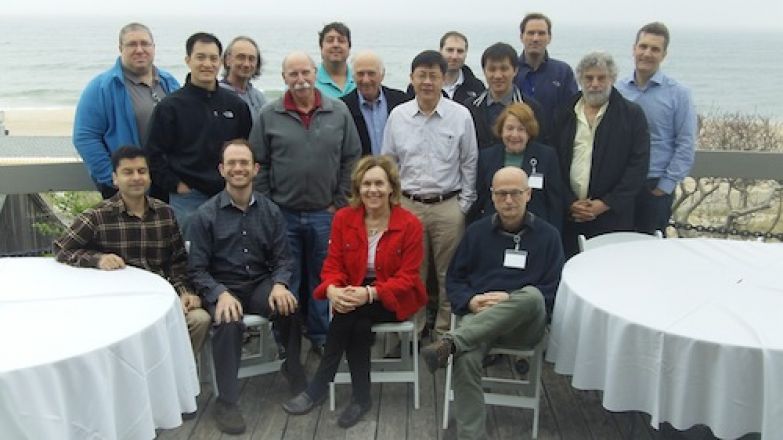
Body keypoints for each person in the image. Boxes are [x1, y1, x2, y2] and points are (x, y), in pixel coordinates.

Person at [282, 155, 426, 428]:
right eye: (367, 184)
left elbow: (408, 278)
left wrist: (369, 294)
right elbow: (332, 265)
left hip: (393, 299)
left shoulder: (409, 224)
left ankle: (318, 387)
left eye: (379, 184)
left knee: (350, 314)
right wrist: (334, 290)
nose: (373, 190)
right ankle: (361, 398)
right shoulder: (344, 219)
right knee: (357, 325)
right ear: (358, 189)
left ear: (391, 189)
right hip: (354, 296)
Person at [421, 166, 564, 440]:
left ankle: (451, 341)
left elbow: (553, 290)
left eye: (515, 193)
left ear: (528, 194)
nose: (508, 200)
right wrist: (471, 300)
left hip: (523, 325)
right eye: (501, 194)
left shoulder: (548, 236)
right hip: (478, 318)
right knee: (464, 359)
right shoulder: (476, 233)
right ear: (492, 196)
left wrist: (511, 300)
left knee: (532, 295)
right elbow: (455, 279)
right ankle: (471, 436)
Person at [187, 139, 305, 435]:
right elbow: (196, 269)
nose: (238, 168)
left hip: (258, 284)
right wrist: (219, 294)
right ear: (222, 170)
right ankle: (226, 400)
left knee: (289, 305)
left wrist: (279, 285)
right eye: (232, 163)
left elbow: (283, 259)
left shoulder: (270, 211)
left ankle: (292, 367)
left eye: (244, 163)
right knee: (228, 321)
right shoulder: (205, 215)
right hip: (222, 285)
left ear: (255, 169)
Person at [250, 51, 361, 354]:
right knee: (286, 278)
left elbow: (352, 158)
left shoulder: (338, 112)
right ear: (284, 78)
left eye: (305, 73)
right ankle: (286, 340)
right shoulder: (269, 115)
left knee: (323, 279)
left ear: (315, 73)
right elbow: (258, 163)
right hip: (282, 214)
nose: (300, 80)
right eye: (293, 74)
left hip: (325, 213)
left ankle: (321, 336)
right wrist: (269, 206)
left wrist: (339, 201)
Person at [54, 146, 210, 356]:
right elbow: (61, 248)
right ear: (115, 179)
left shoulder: (165, 213)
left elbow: (177, 262)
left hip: (161, 299)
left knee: (200, 320)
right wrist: (97, 259)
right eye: (128, 172)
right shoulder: (98, 216)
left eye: (142, 171)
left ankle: (173, 379)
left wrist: (185, 293)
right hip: (119, 305)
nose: (136, 177)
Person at [382, 50, 478, 338]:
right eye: (421, 75)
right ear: (411, 78)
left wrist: (464, 205)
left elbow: (469, 161)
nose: (427, 82)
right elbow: (389, 162)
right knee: (411, 273)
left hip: (448, 205)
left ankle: (444, 333)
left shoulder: (460, 115)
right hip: (408, 205)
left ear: (443, 78)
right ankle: (414, 328)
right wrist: (394, 205)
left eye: (433, 75)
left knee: (449, 274)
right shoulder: (398, 116)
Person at [144, 32, 252, 231]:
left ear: (221, 62)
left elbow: (246, 148)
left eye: (213, 58)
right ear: (188, 60)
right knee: (190, 257)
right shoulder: (170, 107)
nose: (207, 64)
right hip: (187, 198)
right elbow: (153, 154)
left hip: (228, 194)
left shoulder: (235, 105)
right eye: (200, 57)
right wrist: (176, 185)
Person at [550, 51, 650, 257]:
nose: (595, 84)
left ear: (612, 79)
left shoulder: (631, 116)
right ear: (579, 79)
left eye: (601, 78)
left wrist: (605, 204)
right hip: (570, 215)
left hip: (613, 216)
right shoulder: (564, 113)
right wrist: (569, 202)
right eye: (589, 78)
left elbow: (638, 166)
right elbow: (553, 162)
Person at [73, 23, 179, 199]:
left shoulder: (168, 82)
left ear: (154, 47)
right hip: (124, 188)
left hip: (165, 183)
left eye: (145, 43)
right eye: (132, 44)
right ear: (120, 48)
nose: (139, 50)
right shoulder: (102, 87)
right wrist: (112, 178)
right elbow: (85, 137)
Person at [616, 22, 698, 235]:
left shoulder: (678, 94)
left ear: (664, 54)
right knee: (616, 246)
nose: (647, 53)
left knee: (649, 251)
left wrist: (665, 186)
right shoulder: (617, 90)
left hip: (654, 185)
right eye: (643, 46)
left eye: (655, 49)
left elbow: (686, 143)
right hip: (620, 184)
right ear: (634, 48)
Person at [470, 102, 564, 231]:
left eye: (521, 129)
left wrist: (554, 235)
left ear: (529, 132)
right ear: (501, 130)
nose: (514, 135)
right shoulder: (486, 157)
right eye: (509, 128)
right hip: (494, 229)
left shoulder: (546, 156)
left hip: (536, 230)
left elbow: (555, 203)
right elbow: (480, 200)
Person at [465, 42, 546, 148]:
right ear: (484, 71)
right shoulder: (470, 107)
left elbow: (538, 147)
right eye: (492, 69)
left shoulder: (531, 108)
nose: (498, 75)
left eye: (504, 69)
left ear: (515, 70)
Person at [514, 13, 579, 139]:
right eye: (531, 33)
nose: (535, 38)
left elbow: (571, 114)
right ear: (522, 37)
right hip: (515, 142)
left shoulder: (563, 72)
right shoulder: (510, 70)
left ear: (549, 38)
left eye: (541, 33)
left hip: (552, 146)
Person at [341, 50, 409, 156]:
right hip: (361, 171)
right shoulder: (343, 107)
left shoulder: (401, 101)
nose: (366, 80)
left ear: (382, 75)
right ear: (353, 76)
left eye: (371, 73)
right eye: (360, 74)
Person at [220, 36, 267, 123]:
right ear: (227, 60)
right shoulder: (216, 95)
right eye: (241, 57)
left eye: (251, 59)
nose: (246, 64)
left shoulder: (259, 98)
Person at [315, 22, 356, 98]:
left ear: (349, 47)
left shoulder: (360, 80)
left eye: (341, 40)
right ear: (321, 47)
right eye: (330, 40)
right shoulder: (309, 80)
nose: (335, 45)